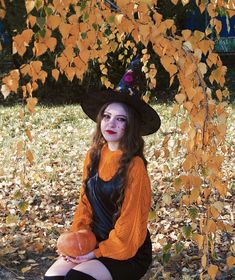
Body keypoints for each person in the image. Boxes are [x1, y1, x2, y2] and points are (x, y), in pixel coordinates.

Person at [44, 58, 161, 280]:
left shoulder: (135, 167)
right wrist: (77, 242)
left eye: (121, 119)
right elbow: (84, 205)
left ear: (130, 126)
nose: (111, 124)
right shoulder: (93, 155)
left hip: (126, 250)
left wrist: (95, 253)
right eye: (107, 116)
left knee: (78, 278)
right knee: (53, 277)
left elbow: (129, 229)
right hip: (92, 240)